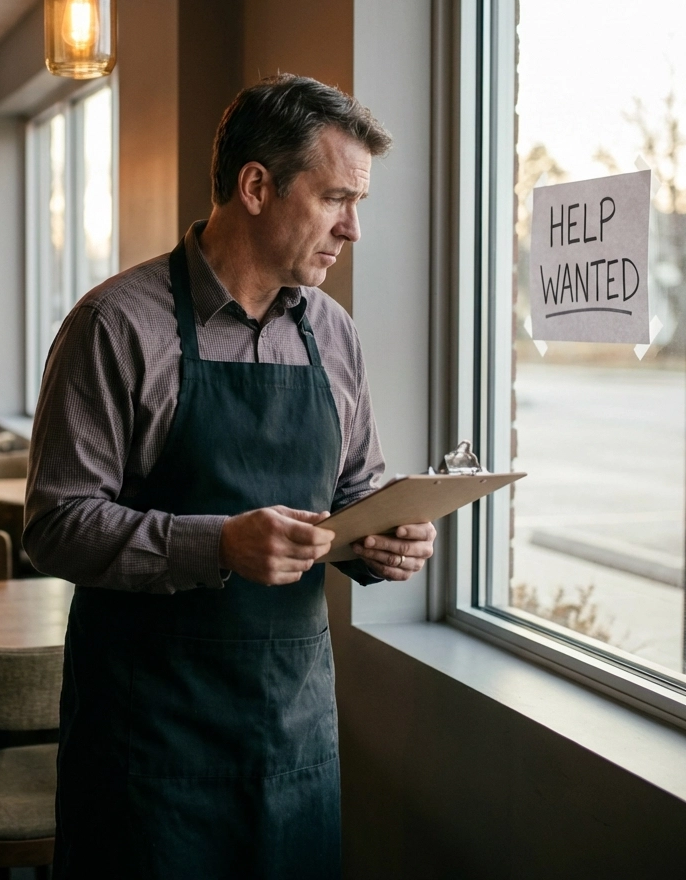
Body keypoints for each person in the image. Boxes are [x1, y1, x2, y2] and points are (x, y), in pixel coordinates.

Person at [24, 74, 437, 879]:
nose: (353, 229)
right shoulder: (115, 326)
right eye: (335, 199)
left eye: (359, 204)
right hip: (147, 748)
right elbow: (54, 524)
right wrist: (218, 545)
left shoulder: (336, 335)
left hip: (293, 736)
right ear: (256, 186)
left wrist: (379, 542)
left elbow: (353, 495)